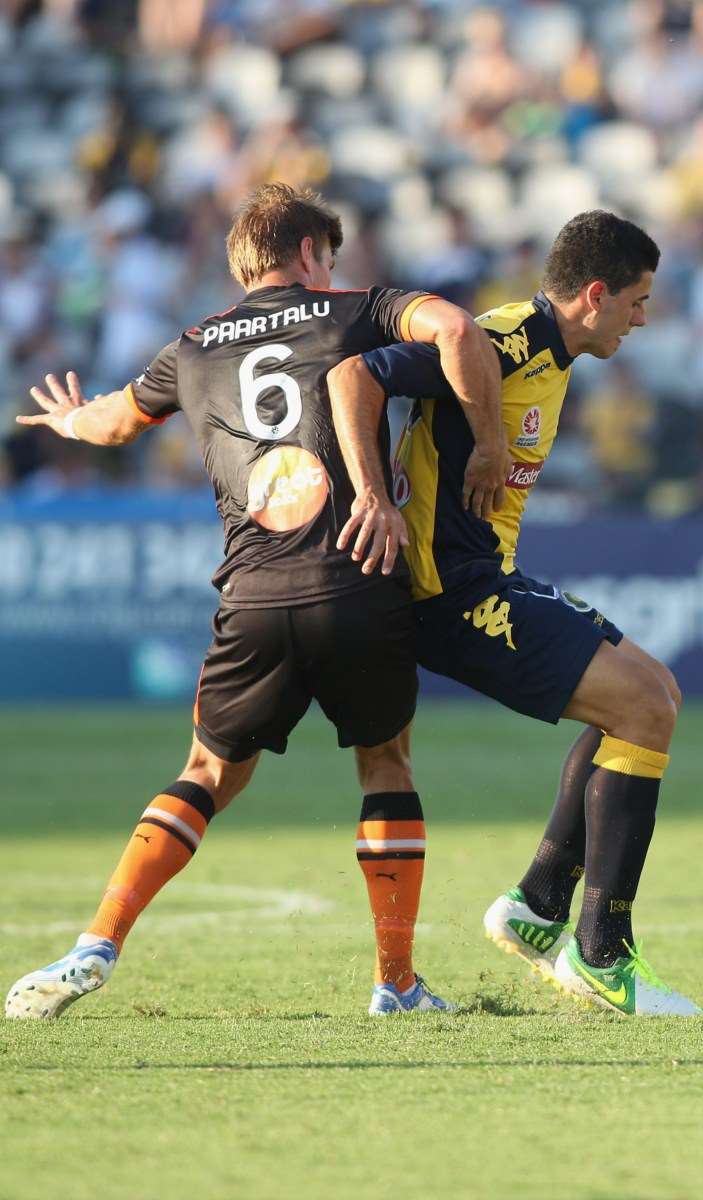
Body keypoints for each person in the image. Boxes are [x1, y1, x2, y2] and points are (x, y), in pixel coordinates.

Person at [5, 183, 504, 1021]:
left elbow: (114, 424)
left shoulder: (192, 346)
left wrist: (68, 420)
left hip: (254, 591)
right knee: (385, 764)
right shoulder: (355, 310)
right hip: (359, 572)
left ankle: (96, 942)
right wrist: (488, 443)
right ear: (308, 253)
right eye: (328, 258)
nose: (333, 270)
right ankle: (395, 982)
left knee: (204, 773)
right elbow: (456, 328)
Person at [327, 210, 702, 1017]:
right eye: (636, 301)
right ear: (594, 295)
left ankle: (538, 904)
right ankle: (599, 952)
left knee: (652, 695)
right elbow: (354, 377)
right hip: (446, 590)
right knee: (642, 706)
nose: (642, 319)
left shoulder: (547, 350)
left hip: (487, 574)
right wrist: (371, 497)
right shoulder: (503, 342)